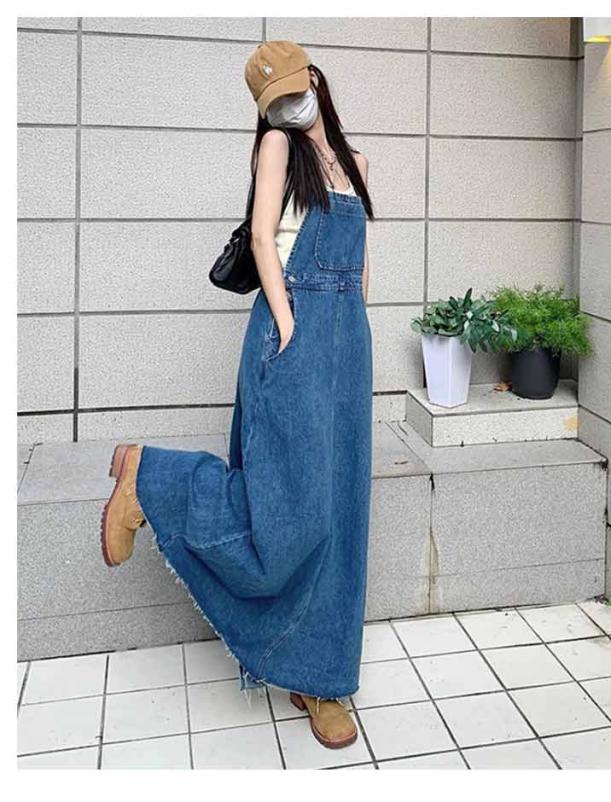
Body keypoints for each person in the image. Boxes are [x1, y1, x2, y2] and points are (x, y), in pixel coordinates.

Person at [100, 40, 374, 750]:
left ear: (315, 80)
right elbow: (261, 239)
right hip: (293, 330)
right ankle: (151, 477)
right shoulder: (279, 149)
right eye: (274, 103)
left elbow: (361, 269)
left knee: (340, 507)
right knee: (286, 508)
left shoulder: (358, 163)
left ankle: (321, 676)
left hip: (348, 344)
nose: (289, 108)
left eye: (294, 92)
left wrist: (354, 337)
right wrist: (290, 327)